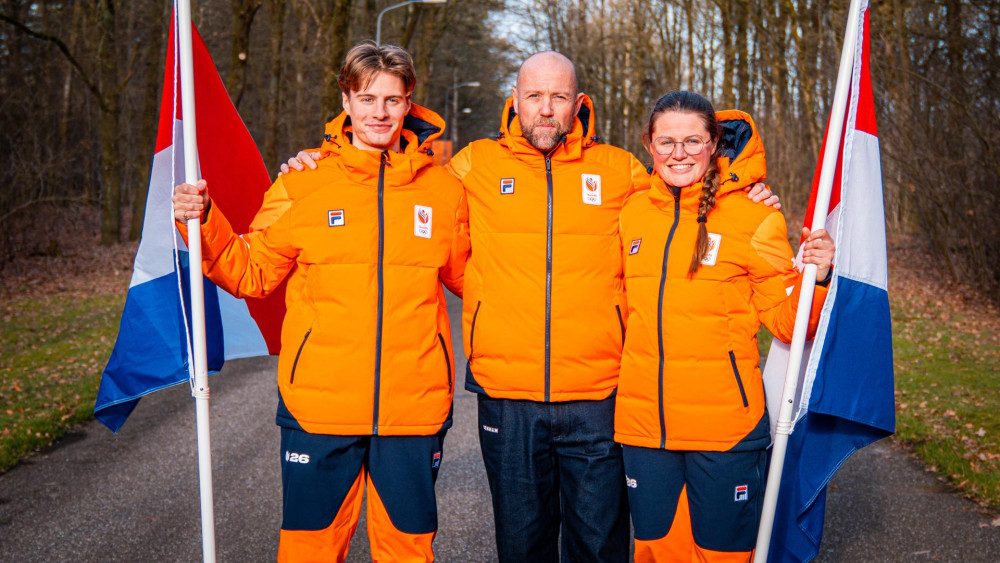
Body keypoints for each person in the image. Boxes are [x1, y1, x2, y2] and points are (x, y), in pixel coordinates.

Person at [284, 51, 780, 563]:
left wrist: (744, 186)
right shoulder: (471, 165)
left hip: (600, 394)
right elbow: (397, 188)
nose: (546, 109)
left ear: (578, 104)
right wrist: (321, 159)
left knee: (598, 544)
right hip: (507, 393)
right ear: (515, 101)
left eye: (559, 96)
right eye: (535, 96)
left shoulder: (620, 171)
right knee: (522, 544)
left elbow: (681, 192)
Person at [172, 42, 468, 563]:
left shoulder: (443, 190)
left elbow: (478, 279)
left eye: (392, 100)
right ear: (346, 100)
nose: (380, 112)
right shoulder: (302, 182)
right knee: (310, 552)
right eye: (368, 97)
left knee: (409, 551)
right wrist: (202, 219)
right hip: (319, 408)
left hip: (413, 409)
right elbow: (251, 272)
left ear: (409, 104)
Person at [615, 90, 835, 562]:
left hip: (725, 432)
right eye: (666, 141)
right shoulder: (630, 213)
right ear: (648, 145)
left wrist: (819, 279)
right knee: (654, 553)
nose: (679, 153)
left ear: (714, 143)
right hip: (644, 430)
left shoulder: (755, 216)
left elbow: (786, 324)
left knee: (723, 555)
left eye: (693, 141)